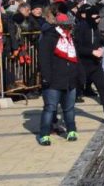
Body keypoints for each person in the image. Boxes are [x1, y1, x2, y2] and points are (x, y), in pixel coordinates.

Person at [72, 6, 104, 125]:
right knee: (72, 92)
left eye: (99, 17)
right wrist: (92, 52)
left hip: (95, 65)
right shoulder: (82, 28)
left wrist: (100, 46)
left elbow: (96, 41)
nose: (98, 19)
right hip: (83, 65)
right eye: (95, 17)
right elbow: (78, 48)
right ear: (90, 17)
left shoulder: (95, 27)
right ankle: (61, 117)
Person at [37, 13, 80, 146]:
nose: (71, 28)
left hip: (69, 79)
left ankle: (72, 130)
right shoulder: (49, 37)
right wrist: (46, 78)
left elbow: (75, 59)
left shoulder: (70, 38)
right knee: (50, 107)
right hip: (53, 80)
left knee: (69, 108)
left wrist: (78, 76)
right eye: (69, 26)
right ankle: (44, 133)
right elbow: (44, 59)